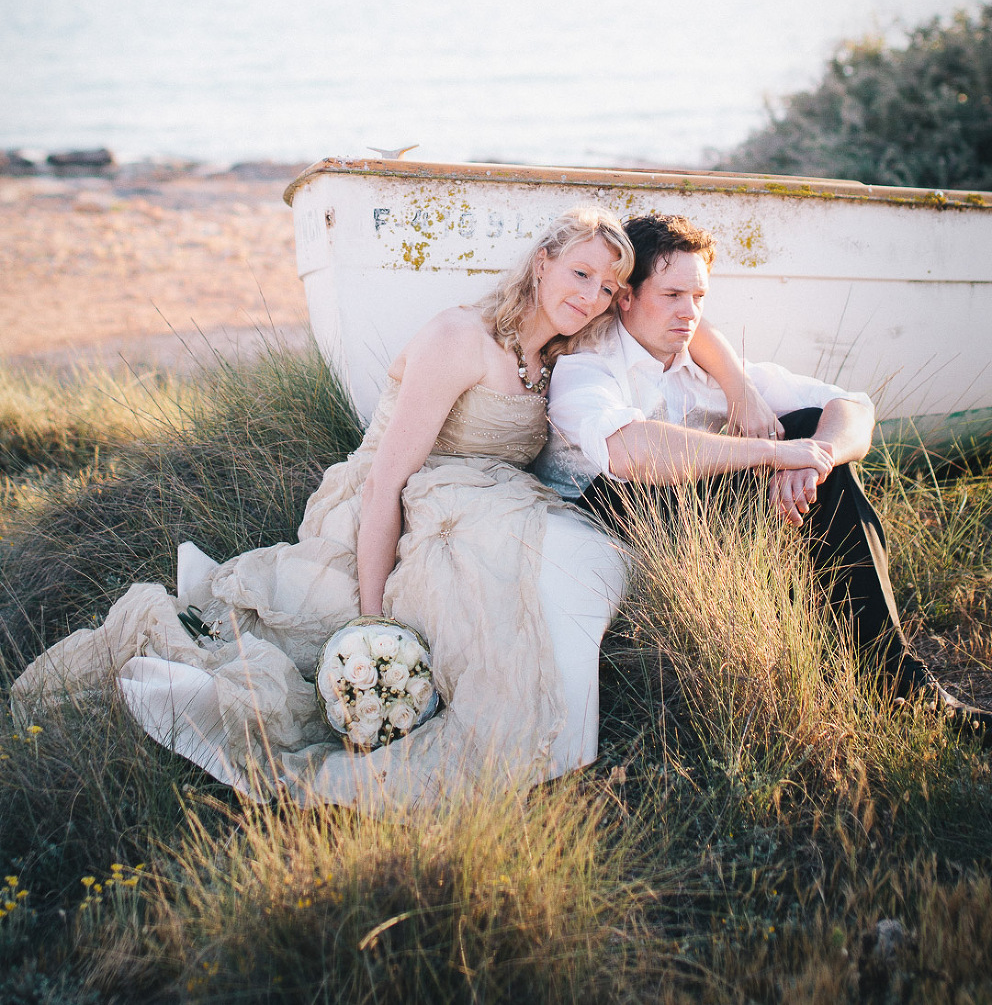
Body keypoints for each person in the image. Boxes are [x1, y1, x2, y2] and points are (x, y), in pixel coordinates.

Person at [11, 205, 831, 806]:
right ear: (541, 260)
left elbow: (694, 321)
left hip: (489, 496)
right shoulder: (458, 337)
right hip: (400, 499)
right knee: (356, 618)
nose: (591, 295)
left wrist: (739, 387)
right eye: (579, 272)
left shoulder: (570, 341)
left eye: (607, 284)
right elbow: (386, 479)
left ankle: (551, 726)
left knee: (589, 562)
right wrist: (372, 614)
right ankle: (501, 729)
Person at [538, 210, 992, 741]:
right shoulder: (587, 367)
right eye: (672, 296)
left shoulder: (707, 367)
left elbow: (852, 407)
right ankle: (889, 680)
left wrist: (814, 454)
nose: (690, 315)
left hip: (691, 509)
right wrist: (774, 457)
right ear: (626, 298)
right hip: (607, 513)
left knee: (813, 436)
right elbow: (626, 452)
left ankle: (888, 676)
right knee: (789, 447)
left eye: (699, 299)